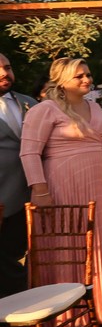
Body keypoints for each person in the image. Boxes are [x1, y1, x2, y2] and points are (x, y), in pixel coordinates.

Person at [19, 58, 102, 327]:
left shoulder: (94, 106)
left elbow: (99, 140)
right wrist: (40, 189)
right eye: (79, 76)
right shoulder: (44, 109)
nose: (87, 79)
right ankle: (67, 312)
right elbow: (29, 153)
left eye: (88, 74)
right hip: (62, 184)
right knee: (69, 242)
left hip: (94, 185)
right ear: (61, 80)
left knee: (96, 239)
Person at [0, 53, 37, 296]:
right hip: (3, 196)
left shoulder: (29, 103)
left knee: (20, 252)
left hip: (32, 193)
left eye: (8, 67)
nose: (4, 73)